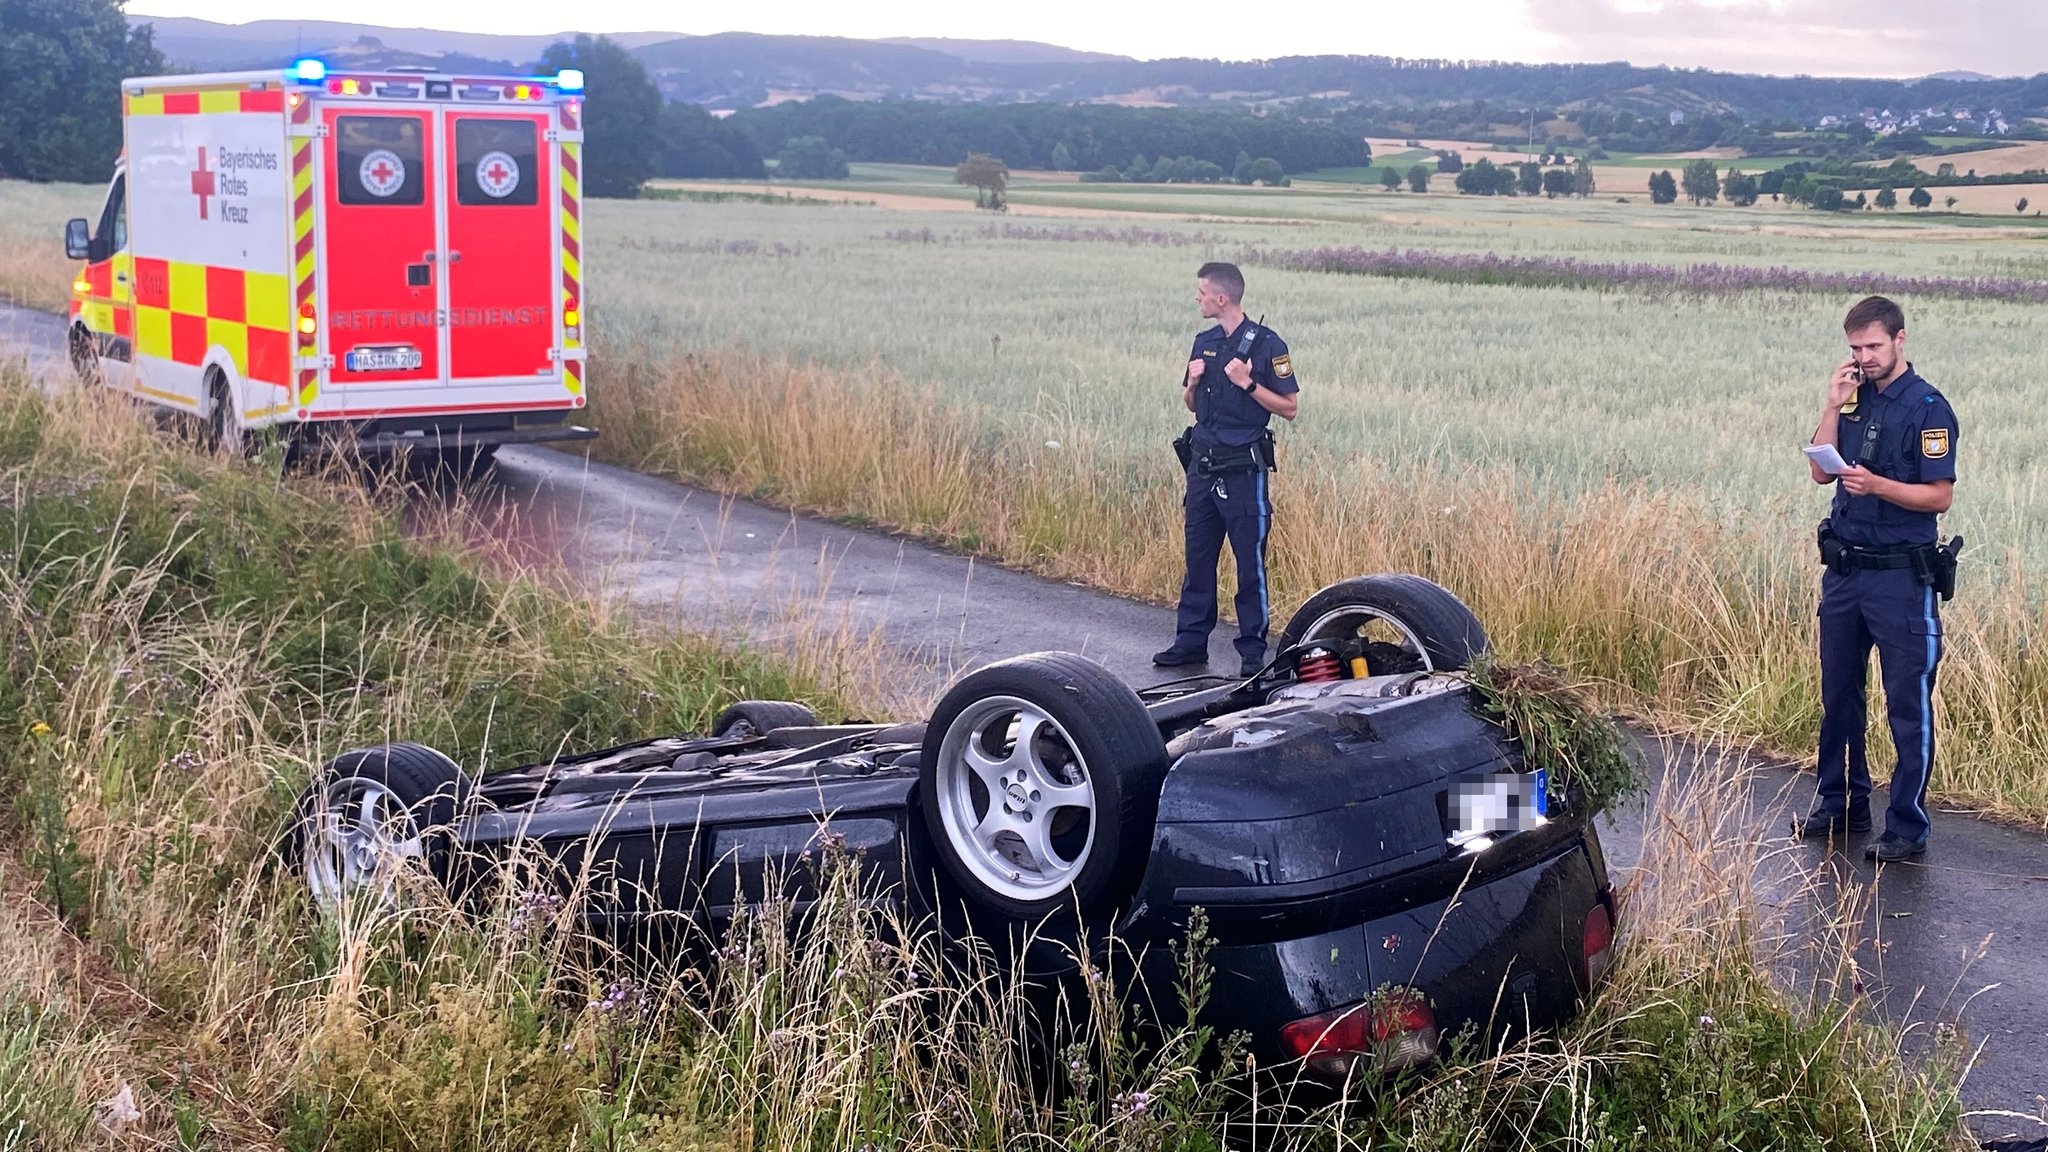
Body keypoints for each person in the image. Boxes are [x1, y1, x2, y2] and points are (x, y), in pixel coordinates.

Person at [1800, 295, 1959, 862]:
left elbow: (1939, 495)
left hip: (1899, 580)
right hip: (1845, 575)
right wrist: (1832, 401)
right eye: (1855, 348)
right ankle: (1842, 804)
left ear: (1899, 339)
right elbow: (1822, 470)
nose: (1864, 358)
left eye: (1872, 346)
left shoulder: (1928, 408)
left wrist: (1881, 486)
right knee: (1839, 695)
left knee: (1906, 704)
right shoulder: (1851, 401)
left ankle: (1907, 826)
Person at [1153, 262, 1300, 678]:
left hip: (1242, 473)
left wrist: (1248, 384)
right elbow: (1191, 405)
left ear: (1222, 298)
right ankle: (1189, 644)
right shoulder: (1203, 341)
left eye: (1201, 292)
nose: (1196, 298)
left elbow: (1290, 408)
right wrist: (1193, 385)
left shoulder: (1269, 345)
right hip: (1202, 467)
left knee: (1248, 563)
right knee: (1197, 558)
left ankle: (1253, 653)